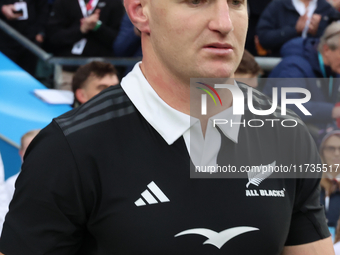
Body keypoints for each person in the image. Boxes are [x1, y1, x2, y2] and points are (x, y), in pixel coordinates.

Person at [0, 0, 334, 254]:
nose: (224, 22)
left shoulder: (286, 133)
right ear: (139, 10)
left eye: (236, 1)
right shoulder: (68, 150)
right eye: (195, 0)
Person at [263, 22, 340, 137]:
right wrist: (332, 111)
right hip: (280, 138)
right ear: (327, 49)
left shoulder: (333, 68)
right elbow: (287, 106)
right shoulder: (293, 67)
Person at [46, 0, 124, 89]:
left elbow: (118, 41)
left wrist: (97, 27)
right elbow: (53, 37)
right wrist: (81, 30)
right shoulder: (63, 2)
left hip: (100, 73)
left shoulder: (114, 3)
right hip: (68, 70)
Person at [256, 0, 339, 56]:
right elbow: (263, 38)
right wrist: (294, 30)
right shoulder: (278, 5)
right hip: (283, 66)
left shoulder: (327, 8)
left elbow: (334, 42)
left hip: (317, 71)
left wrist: (318, 32)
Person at [0, 0, 49, 75]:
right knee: (6, 74)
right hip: (5, 36)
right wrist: (2, 8)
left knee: (27, 75)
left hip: (30, 39)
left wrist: (40, 33)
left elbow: (43, 10)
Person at [4, 130, 40, 201]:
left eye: (37, 149)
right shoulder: (11, 184)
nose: (33, 154)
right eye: (28, 149)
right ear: (21, 153)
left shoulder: (57, 181)